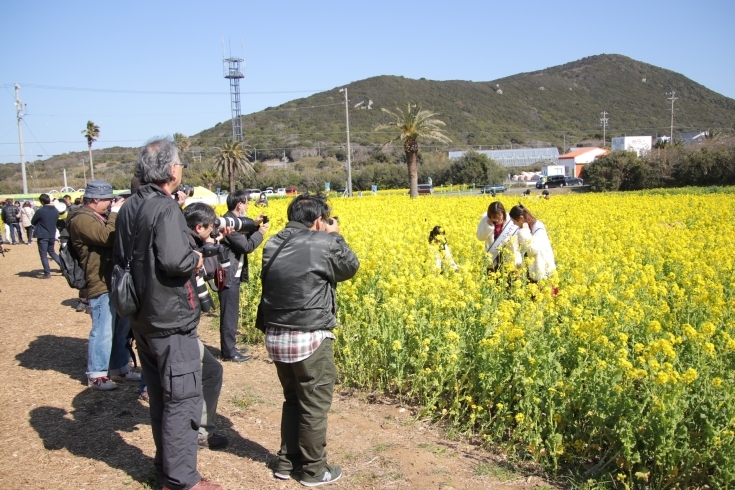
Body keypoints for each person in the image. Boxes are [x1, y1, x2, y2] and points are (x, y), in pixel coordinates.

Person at [114, 137, 222, 490]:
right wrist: (197, 257)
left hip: (142, 315)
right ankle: (182, 480)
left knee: (161, 397)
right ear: (172, 170)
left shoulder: (130, 206)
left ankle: (166, 467)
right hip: (169, 319)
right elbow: (175, 260)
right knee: (183, 399)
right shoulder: (165, 208)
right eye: (180, 165)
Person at [258, 193, 359, 486]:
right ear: (318, 220)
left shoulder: (274, 242)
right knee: (314, 405)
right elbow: (350, 268)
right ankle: (315, 471)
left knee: (293, 399)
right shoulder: (325, 241)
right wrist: (335, 236)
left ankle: (286, 464)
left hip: (276, 336)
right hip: (310, 337)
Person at [68, 181, 140, 390]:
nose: (112, 203)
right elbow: (106, 237)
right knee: (103, 329)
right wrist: (117, 213)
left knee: (121, 327)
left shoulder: (99, 216)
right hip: (99, 281)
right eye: (109, 199)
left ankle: (119, 366)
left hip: (113, 279)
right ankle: (97, 373)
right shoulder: (80, 219)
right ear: (96, 200)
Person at [182, 202, 231, 450]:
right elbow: (209, 274)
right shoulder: (188, 251)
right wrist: (213, 247)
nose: (214, 232)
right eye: (211, 228)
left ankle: (196, 430)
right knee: (210, 372)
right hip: (179, 328)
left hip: (160, 326)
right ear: (199, 226)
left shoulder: (175, 241)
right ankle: (201, 432)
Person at [217, 189, 268, 362]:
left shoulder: (234, 221)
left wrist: (255, 225)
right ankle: (229, 352)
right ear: (239, 205)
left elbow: (245, 231)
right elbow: (246, 246)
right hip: (227, 275)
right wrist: (260, 233)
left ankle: (230, 346)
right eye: (246, 203)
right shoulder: (229, 224)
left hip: (232, 274)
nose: (247, 206)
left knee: (231, 312)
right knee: (229, 314)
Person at [508, 204, 556, 281]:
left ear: (521, 218)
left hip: (543, 273)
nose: (514, 224)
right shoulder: (523, 229)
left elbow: (533, 250)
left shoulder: (537, 227)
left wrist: (524, 231)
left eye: (514, 221)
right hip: (532, 271)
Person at [476, 201, 520, 272]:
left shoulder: (511, 220)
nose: (497, 220)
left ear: (503, 213)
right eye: (494, 218)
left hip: (509, 255)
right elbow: (480, 237)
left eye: (499, 217)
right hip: (493, 256)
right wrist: (488, 226)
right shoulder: (485, 220)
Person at [30, 194, 62, 278]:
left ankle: (47, 273)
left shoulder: (40, 211)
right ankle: (64, 267)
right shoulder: (55, 210)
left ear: (42, 201)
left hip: (42, 234)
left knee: (43, 255)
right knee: (52, 252)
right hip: (52, 233)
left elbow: (33, 222)